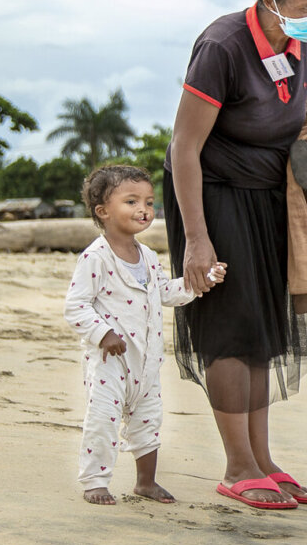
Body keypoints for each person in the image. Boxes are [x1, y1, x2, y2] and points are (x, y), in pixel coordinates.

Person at [164, 0, 307, 510]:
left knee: (264, 326)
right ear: (270, 2)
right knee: (232, 325)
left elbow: (294, 101)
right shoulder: (222, 46)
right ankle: (237, 466)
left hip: (270, 193)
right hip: (213, 192)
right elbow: (183, 147)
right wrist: (195, 240)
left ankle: (263, 459)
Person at [63, 165, 224, 505]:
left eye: (149, 202)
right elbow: (75, 307)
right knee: (102, 422)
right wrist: (103, 333)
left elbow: (165, 292)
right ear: (103, 212)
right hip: (110, 362)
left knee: (149, 422)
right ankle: (95, 481)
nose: (144, 210)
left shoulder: (148, 256)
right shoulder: (96, 257)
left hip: (148, 362)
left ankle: (146, 482)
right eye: (132, 201)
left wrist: (202, 279)